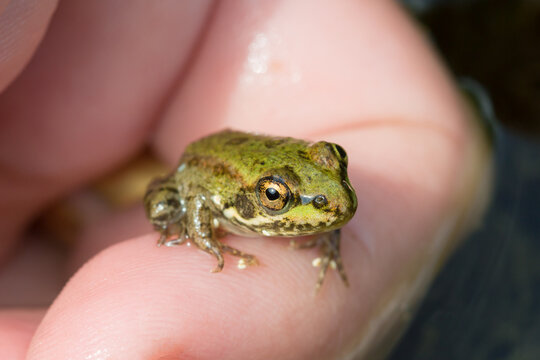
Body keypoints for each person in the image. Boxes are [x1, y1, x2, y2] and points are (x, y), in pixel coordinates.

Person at [0, 1, 492, 359]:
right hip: (202, 170)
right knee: (161, 209)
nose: (337, 202)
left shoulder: (325, 197)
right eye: (278, 197)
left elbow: (328, 201)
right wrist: (203, 238)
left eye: (336, 162)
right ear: (262, 197)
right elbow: (197, 194)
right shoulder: (223, 195)